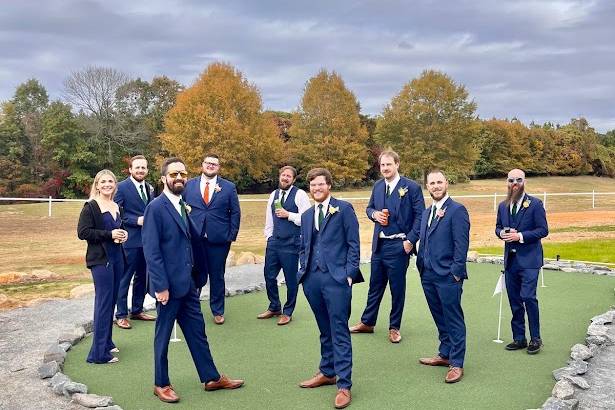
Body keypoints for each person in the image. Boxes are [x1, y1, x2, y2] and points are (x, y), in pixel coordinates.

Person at [142, 157, 244, 403]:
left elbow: (191, 241)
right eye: (174, 174)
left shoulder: (183, 204)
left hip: (187, 284)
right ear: (164, 178)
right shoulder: (156, 207)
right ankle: (161, 383)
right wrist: (161, 286)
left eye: (183, 174)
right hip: (168, 287)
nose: (179, 178)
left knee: (198, 332)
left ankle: (211, 377)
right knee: (163, 336)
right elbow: (151, 250)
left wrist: (199, 275)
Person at [297, 168, 364, 409]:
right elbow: (304, 245)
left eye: (321, 185)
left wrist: (348, 274)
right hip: (312, 280)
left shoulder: (343, 209)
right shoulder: (305, 215)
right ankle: (327, 371)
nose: (317, 189)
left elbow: (353, 244)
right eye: (313, 186)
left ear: (329, 186)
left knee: (339, 331)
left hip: (337, 280)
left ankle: (344, 384)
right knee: (324, 329)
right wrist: (303, 273)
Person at [350, 150, 425, 343]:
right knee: (375, 286)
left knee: (397, 288)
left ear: (397, 164)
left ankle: (394, 327)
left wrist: (410, 241)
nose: (385, 168)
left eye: (388, 164)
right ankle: (367, 322)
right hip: (379, 245)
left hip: (400, 246)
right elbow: (369, 208)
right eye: (382, 165)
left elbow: (420, 217)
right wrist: (374, 214)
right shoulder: (377, 186)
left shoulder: (411, 187)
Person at [416, 170, 469, 384]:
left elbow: (461, 244)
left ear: (446, 183)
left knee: (453, 318)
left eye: (439, 182)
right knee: (439, 316)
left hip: (448, 276)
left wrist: (456, 273)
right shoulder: (428, 212)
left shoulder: (457, 210)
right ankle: (445, 353)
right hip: (428, 274)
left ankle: (456, 363)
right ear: (427, 186)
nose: (436, 186)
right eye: (432, 183)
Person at [77, 169, 128, 364]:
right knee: (103, 305)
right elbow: (83, 232)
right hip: (101, 261)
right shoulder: (90, 206)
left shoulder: (116, 206)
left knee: (111, 302)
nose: (107, 184)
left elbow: (118, 230)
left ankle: (106, 342)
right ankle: (98, 354)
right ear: (97, 185)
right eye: (103, 182)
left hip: (118, 259)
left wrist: (123, 234)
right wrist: (110, 235)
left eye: (111, 182)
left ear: (115, 185)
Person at [496, 169, 548, 354]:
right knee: (515, 300)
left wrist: (520, 236)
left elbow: (543, 230)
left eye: (518, 179)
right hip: (511, 261)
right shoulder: (503, 206)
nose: (515, 183)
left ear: (524, 181)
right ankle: (519, 338)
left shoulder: (535, 204)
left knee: (528, 297)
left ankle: (536, 338)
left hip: (529, 260)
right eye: (511, 180)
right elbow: (498, 227)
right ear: (507, 183)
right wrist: (501, 233)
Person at [184, 154, 240, 325]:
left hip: (219, 240)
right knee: (195, 274)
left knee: (217, 276)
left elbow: (235, 213)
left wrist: (231, 235)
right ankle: (192, 309)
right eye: (208, 163)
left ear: (218, 167)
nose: (210, 166)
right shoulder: (189, 185)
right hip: (195, 238)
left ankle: (218, 311)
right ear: (202, 165)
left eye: (214, 164)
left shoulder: (228, 187)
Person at [258, 165, 311, 325]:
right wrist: (269, 236)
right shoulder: (273, 194)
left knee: (290, 280)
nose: (285, 178)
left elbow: (307, 217)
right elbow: (269, 218)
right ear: (279, 176)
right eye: (283, 175)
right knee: (269, 276)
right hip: (274, 243)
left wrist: (289, 215)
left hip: (292, 243)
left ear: (293, 179)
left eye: (289, 176)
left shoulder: (300, 194)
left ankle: (288, 311)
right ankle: (274, 306)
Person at [113, 155, 156, 329]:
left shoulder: (150, 188)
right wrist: (136, 220)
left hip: (148, 241)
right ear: (130, 169)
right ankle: (121, 314)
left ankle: (137, 310)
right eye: (137, 167)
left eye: (143, 168)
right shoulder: (121, 188)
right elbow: (116, 213)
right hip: (130, 241)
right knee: (125, 278)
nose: (140, 170)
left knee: (142, 278)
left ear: (147, 170)